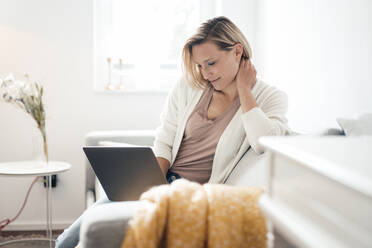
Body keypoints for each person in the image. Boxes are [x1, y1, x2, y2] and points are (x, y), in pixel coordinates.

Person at [56, 16, 291, 247]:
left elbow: (263, 142)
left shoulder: (269, 97)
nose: (205, 73)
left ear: (237, 51)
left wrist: (244, 91)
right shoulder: (189, 86)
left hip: (189, 194)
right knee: (69, 238)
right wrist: (150, 184)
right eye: (199, 65)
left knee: (93, 229)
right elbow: (165, 138)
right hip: (160, 180)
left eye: (211, 63)